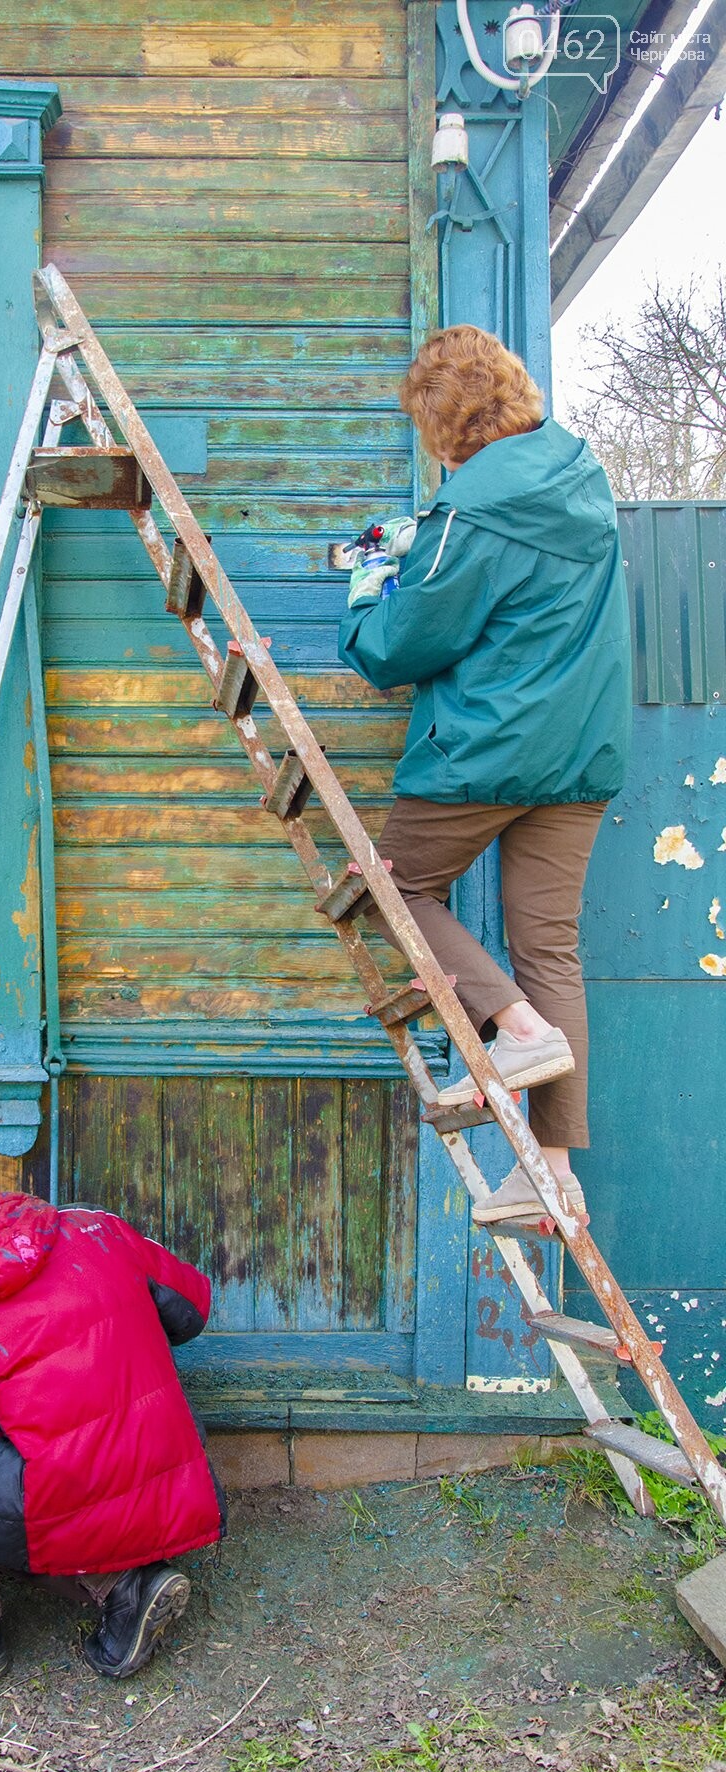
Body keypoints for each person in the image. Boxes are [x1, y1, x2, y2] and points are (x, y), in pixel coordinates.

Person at [337, 324, 631, 1222]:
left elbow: (397, 648)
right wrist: (424, 540)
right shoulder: (585, 480)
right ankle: (550, 1173)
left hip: (484, 754)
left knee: (391, 888)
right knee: (551, 947)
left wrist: (369, 573)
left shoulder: (471, 513)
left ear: (442, 421)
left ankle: (518, 1029)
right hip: (581, 756)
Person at [0, 1179, 226, 1683]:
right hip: (173, 1464)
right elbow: (192, 1312)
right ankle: (124, 1584)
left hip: (72, 1487)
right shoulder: (92, 1224)